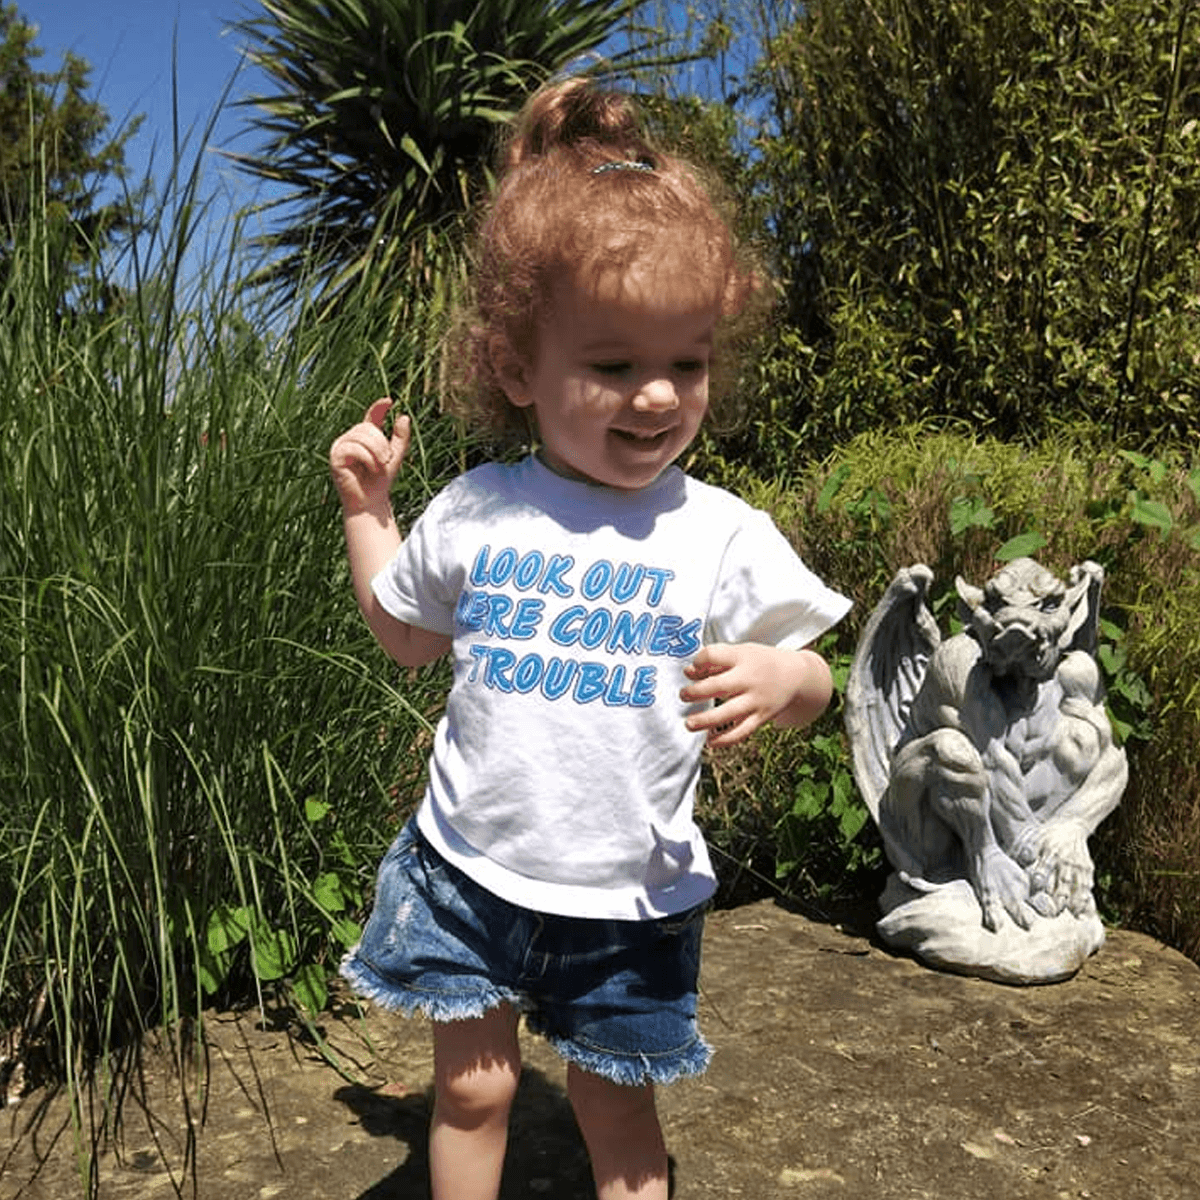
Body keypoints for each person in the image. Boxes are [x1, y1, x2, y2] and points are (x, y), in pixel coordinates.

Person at [330, 77, 851, 1200]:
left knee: (620, 1116)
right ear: (519, 367)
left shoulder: (719, 531)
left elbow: (818, 674)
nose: (657, 396)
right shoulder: (479, 508)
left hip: (631, 899)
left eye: (689, 362)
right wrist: (371, 514)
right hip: (468, 874)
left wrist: (782, 676)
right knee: (471, 1093)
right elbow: (406, 636)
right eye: (612, 365)